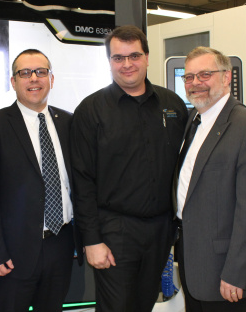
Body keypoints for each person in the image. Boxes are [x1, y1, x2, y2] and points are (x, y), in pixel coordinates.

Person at [70, 25, 188, 311]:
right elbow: (82, 181)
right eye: (118, 58)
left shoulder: (171, 105)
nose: (127, 64)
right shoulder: (91, 110)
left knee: (144, 303)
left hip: (161, 229)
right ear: (109, 61)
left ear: (147, 57)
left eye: (134, 56)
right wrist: (92, 240)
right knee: (117, 306)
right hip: (114, 230)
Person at [0, 49, 83, 312]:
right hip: (12, 252)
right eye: (25, 73)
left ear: (51, 79)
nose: (33, 78)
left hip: (61, 244)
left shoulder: (69, 122)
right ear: (13, 82)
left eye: (41, 72)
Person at [174, 46, 246, 312]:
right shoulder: (194, 120)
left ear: (227, 77)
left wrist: (237, 273)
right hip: (193, 261)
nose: (196, 83)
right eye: (189, 77)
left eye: (205, 74)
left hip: (226, 271)